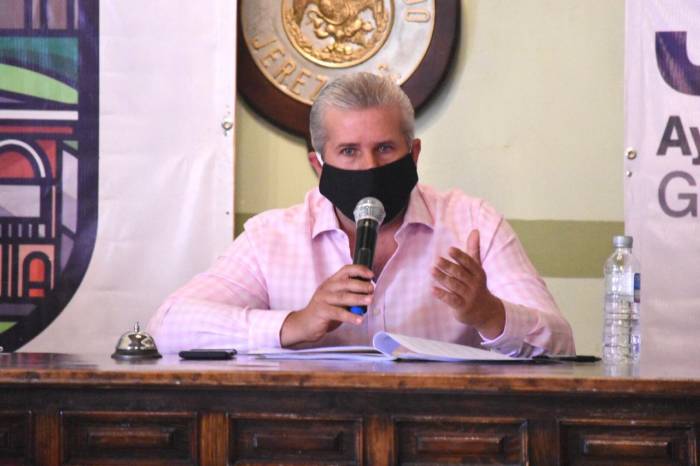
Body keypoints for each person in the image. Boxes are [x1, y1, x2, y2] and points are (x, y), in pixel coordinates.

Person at [148, 72, 575, 356]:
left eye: (385, 149)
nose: (370, 167)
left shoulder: (473, 223)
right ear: (319, 166)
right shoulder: (271, 238)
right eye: (349, 151)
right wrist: (295, 324)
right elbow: (167, 326)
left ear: (414, 154)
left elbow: (561, 343)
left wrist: (489, 314)